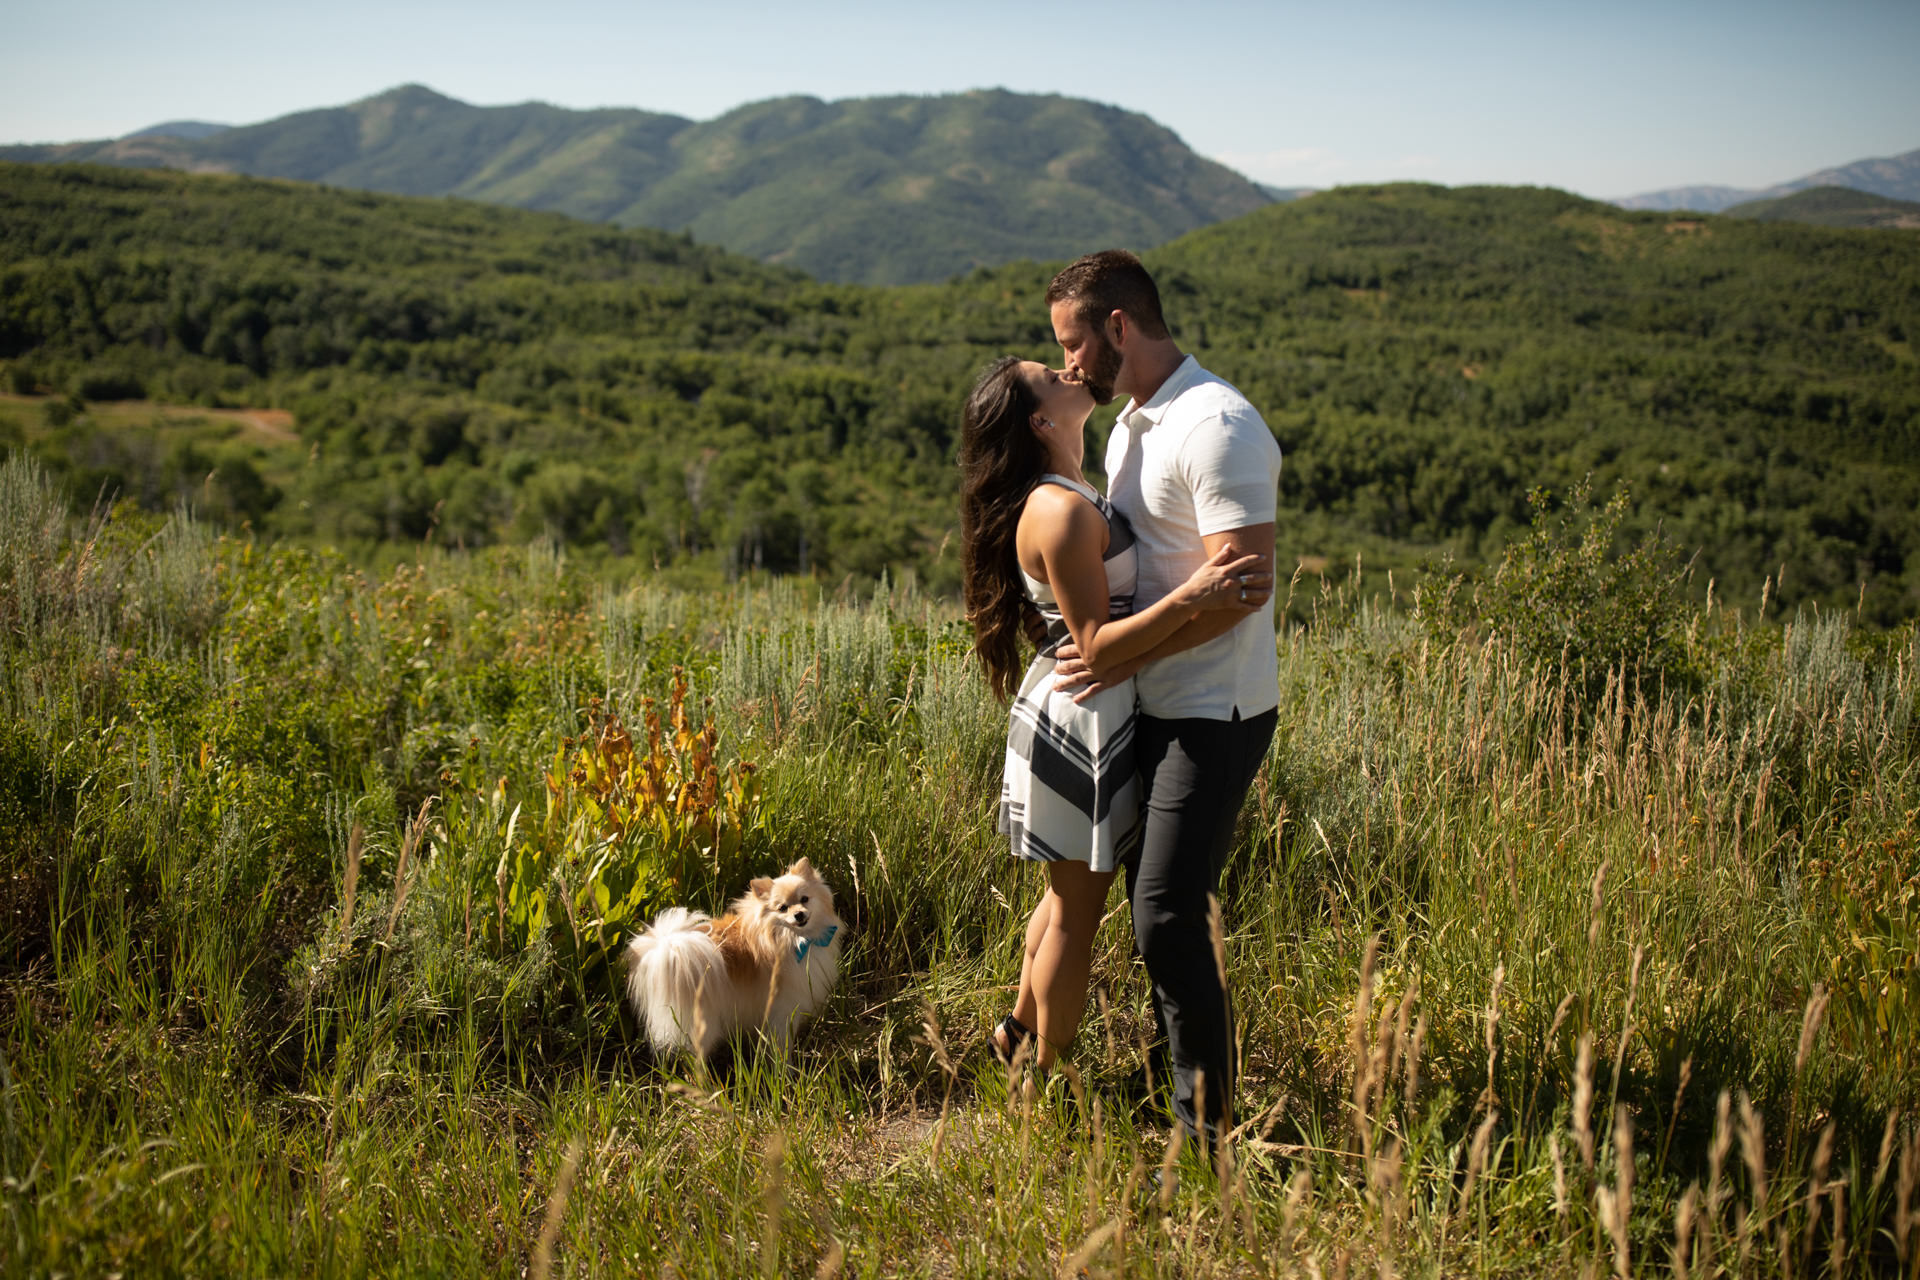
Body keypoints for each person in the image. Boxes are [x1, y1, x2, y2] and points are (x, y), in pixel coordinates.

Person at [958, 356, 1271, 1075]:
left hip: (1092, 707)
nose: (1073, 369)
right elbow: (1095, 647)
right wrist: (1194, 597)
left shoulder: (1070, 489)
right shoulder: (1061, 510)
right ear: (1042, 421)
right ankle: (1049, 1080)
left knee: (1066, 899)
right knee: (1075, 912)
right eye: (1053, 374)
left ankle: (1016, 1033)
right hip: (1082, 715)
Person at [1045, 249, 1283, 1145]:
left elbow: (1245, 591)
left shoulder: (1218, 425)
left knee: (1167, 918)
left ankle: (1204, 1138)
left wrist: (1113, 657)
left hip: (1213, 711)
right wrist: (1115, 657)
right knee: (1159, 913)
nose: (1068, 365)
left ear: (1119, 327)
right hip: (1144, 701)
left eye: (1074, 344)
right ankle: (1166, 1091)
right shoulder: (1129, 428)